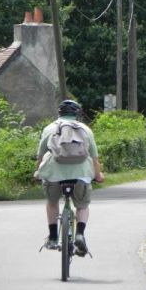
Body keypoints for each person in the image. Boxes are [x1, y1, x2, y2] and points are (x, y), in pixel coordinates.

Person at [34, 99, 104, 255]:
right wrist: (98, 175)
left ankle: (52, 237)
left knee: (52, 203)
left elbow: (39, 156)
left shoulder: (49, 129)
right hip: (81, 174)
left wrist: (38, 172)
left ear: (59, 113)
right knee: (82, 206)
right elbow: (94, 158)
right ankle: (80, 233)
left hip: (54, 174)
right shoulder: (85, 129)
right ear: (77, 114)